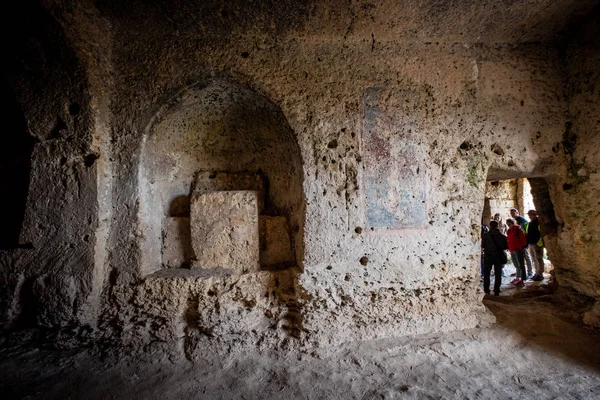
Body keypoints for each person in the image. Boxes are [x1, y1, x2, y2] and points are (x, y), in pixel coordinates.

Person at [481, 220, 508, 295]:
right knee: (498, 273)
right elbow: (506, 247)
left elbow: (483, 245)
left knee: (487, 273)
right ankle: (497, 289)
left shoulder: (486, 235)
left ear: (490, 226)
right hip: (498, 256)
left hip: (488, 256)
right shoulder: (502, 236)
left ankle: (486, 289)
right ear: (497, 226)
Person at [510, 208, 533, 278]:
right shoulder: (516, 220)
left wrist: (526, 242)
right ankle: (520, 271)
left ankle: (530, 272)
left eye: (513, 213)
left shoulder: (522, 220)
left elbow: (526, 231)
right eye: (511, 213)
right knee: (519, 258)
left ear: (517, 212)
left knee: (526, 257)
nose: (512, 215)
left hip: (523, 242)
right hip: (519, 243)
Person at [506, 218, 528, 285]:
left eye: (509, 224)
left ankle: (523, 279)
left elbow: (524, 241)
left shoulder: (519, 230)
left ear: (513, 223)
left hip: (518, 249)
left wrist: (519, 247)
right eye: (507, 224)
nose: (508, 225)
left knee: (521, 264)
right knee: (516, 264)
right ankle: (518, 277)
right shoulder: (509, 231)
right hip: (512, 249)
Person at [526, 209, 544, 281]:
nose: (529, 216)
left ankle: (540, 273)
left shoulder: (538, 222)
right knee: (534, 259)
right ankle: (536, 273)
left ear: (534, 215)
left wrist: (539, 241)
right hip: (531, 243)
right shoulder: (531, 223)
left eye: (530, 215)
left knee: (539, 258)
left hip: (537, 243)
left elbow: (541, 232)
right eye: (529, 215)